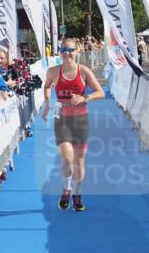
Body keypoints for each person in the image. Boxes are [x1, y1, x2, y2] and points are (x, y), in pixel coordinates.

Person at [40, 39, 105, 212]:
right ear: (60, 52)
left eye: (70, 50)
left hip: (80, 120)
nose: (67, 53)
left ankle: (77, 193)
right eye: (64, 49)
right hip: (61, 118)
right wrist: (47, 104)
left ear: (77, 51)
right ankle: (66, 189)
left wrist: (84, 98)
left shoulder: (83, 71)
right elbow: (46, 86)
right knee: (67, 158)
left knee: (79, 160)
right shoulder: (53, 71)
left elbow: (101, 92)